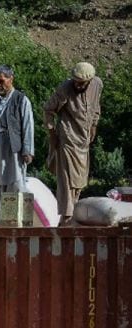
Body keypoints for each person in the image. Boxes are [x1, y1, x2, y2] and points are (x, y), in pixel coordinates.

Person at [44, 61, 103, 225]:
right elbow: (48, 110)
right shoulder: (65, 88)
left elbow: (96, 107)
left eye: (81, 83)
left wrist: (93, 126)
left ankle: (72, 214)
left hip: (83, 142)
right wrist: (52, 133)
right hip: (67, 139)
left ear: (89, 81)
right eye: (75, 81)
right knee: (67, 180)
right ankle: (66, 217)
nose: (77, 85)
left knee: (79, 181)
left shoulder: (97, 84)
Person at [0, 65, 35, 225]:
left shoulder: (21, 100)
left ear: (11, 79)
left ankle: (14, 221)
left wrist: (27, 150)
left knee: (14, 181)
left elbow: (28, 126)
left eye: (1, 81)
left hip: (13, 148)